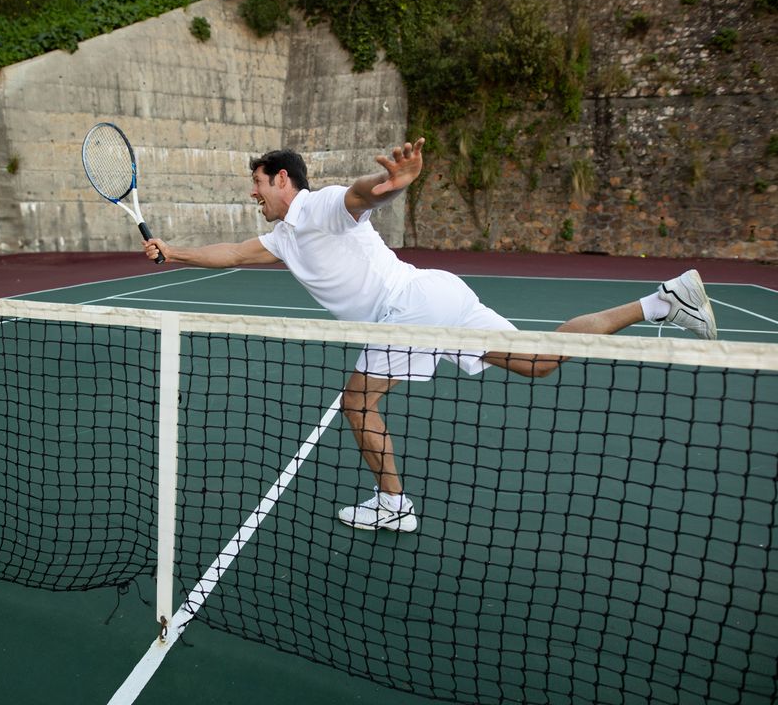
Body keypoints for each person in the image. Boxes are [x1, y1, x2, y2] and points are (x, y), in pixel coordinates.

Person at [143, 139, 718, 533]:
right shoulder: (285, 237)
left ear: (283, 179)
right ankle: (663, 300)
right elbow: (228, 253)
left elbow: (358, 196)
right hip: (437, 295)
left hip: (409, 308)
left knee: (357, 400)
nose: (254, 194)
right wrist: (172, 250)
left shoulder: (317, 206)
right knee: (540, 361)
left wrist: (393, 182)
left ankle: (393, 505)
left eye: (258, 184)